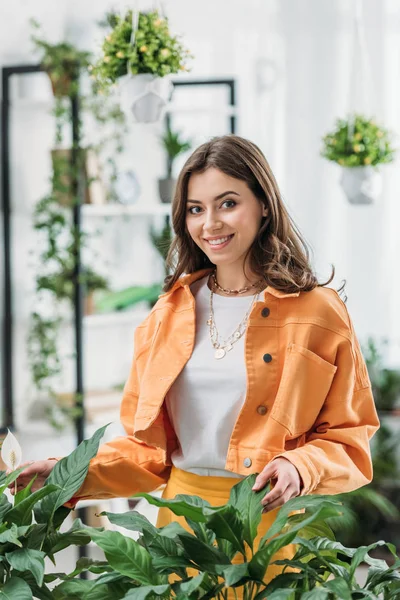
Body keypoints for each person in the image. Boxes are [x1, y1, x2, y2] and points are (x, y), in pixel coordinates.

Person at [12, 135, 379, 594]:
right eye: (195, 209)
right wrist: (67, 474)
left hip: (270, 528)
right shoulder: (166, 315)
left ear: (264, 205)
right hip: (180, 528)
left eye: (228, 203)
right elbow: (148, 454)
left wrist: (300, 466)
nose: (210, 223)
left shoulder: (318, 312)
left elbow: (350, 436)